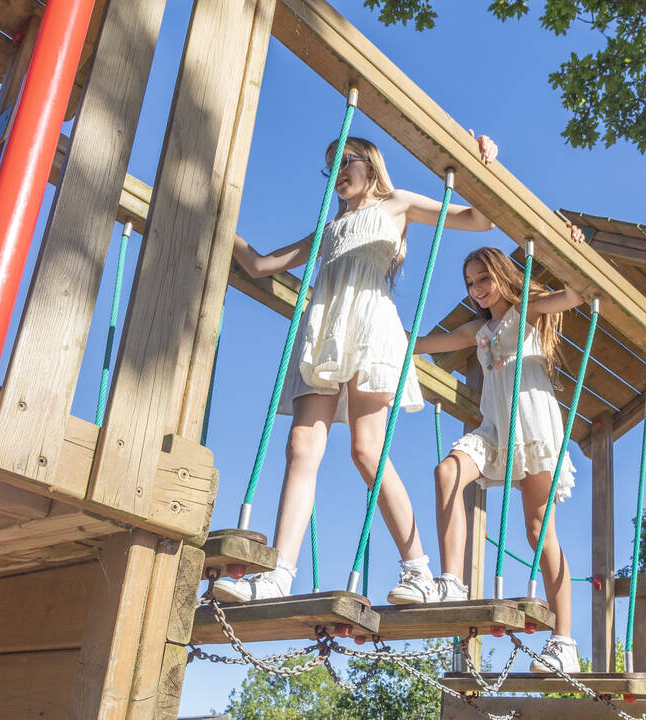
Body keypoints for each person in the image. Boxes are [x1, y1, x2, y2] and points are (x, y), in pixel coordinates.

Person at [213, 132, 499, 605]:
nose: (339, 171)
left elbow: (478, 220)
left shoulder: (398, 204)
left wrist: (480, 165)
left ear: (372, 164)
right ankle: (279, 573)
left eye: (347, 160)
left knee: (367, 451)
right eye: (332, 166)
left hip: (371, 331)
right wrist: (219, 219)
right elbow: (261, 265)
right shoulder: (329, 231)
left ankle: (418, 571)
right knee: (300, 445)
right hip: (325, 334)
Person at [412, 237, 585, 672]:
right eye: (470, 283)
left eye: (483, 279)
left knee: (538, 531)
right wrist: (385, 332)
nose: (477, 289)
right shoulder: (479, 331)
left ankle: (564, 641)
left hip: (533, 426)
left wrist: (573, 249)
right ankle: (451, 581)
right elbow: (425, 344)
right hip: (494, 431)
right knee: (447, 472)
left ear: (502, 275)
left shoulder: (529, 309)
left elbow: (576, 295)